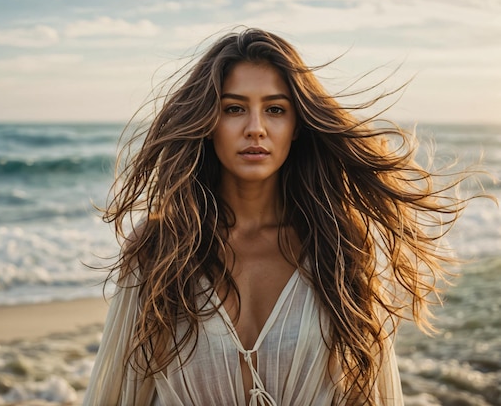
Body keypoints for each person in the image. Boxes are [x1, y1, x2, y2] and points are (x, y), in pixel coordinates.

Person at [83, 28, 470, 405]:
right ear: (207, 122)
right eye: (234, 109)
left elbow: (371, 395)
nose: (256, 128)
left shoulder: (340, 246)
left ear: (297, 124)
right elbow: (114, 394)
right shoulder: (160, 248)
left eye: (275, 109)